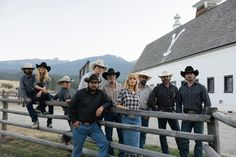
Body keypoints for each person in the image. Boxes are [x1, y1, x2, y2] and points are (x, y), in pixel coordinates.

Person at [68, 74, 112, 157]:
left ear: (98, 84)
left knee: (104, 143)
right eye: (92, 82)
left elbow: (109, 102)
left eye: (96, 83)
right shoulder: (80, 93)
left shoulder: (101, 93)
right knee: (77, 150)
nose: (94, 84)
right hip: (80, 126)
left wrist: (102, 107)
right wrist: (74, 121)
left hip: (93, 126)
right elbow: (70, 108)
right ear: (88, 83)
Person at [176, 66, 211, 157]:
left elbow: (207, 103)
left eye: (191, 73)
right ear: (185, 76)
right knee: (184, 139)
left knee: (198, 141)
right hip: (186, 117)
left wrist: (202, 116)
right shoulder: (181, 88)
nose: (189, 75)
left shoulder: (201, 88)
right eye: (187, 74)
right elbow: (178, 103)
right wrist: (180, 114)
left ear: (194, 75)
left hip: (198, 116)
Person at [148, 71, 182, 154]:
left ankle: (182, 151)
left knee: (177, 132)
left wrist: (177, 111)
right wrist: (156, 111)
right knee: (162, 133)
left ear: (170, 77)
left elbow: (178, 101)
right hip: (161, 112)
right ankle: (165, 152)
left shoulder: (174, 88)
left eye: (167, 76)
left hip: (171, 112)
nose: (165, 78)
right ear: (161, 78)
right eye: (163, 77)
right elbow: (151, 100)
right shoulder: (157, 88)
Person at [116, 73, 141, 157]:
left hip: (137, 119)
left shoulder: (138, 92)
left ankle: (134, 155)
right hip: (126, 118)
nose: (132, 80)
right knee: (127, 140)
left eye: (134, 79)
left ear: (136, 81)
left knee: (136, 140)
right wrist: (126, 108)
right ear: (128, 80)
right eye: (130, 78)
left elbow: (138, 106)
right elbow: (117, 104)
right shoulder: (123, 91)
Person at [102, 68, 124, 157]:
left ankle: (122, 154)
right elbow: (104, 100)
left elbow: (123, 98)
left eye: (113, 75)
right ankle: (110, 154)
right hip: (108, 113)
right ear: (107, 78)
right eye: (109, 76)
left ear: (115, 76)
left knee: (121, 134)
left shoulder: (120, 86)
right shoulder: (104, 88)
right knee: (108, 135)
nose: (111, 77)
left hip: (119, 113)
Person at [53, 75, 73, 145]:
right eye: (65, 82)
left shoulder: (60, 91)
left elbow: (54, 98)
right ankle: (67, 140)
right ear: (62, 84)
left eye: (68, 82)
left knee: (73, 128)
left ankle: (65, 139)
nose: (68, 83)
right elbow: (67, 99)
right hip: (70, 112)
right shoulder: (65, 91)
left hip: (67, 111)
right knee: (74, 128)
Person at [19, 63, 39, 129]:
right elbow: (22, 89)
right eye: (27, 69)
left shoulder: (34, 76)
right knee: (28, 104)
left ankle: (40, 109)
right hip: (28, 94)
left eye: (30, 69)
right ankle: (35, 121)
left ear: (32, 70)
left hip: (35, 92)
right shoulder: (22, 78)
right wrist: (26, 97)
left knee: (44, 99)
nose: (28, 70)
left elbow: (36, 85)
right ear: (24, 70)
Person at [34, 62, 54, 128]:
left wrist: (41, 91)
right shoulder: (35, 77)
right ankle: (42, 109)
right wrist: (41, 90)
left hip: (43, 93)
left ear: (45, 70)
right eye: (40, 68)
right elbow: (35, 85)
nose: (41, 69)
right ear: (39, 69)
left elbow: (45, 86)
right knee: (47, 96)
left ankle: (49, 122)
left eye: (43, 68)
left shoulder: (47, 78)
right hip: (36, 93)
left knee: (51, 102)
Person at [137, 71, 152, 150]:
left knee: (143, 132)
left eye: (145, 77)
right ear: (139, 78)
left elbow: (152, 102)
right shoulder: (134, 87)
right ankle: (135, 149)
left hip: (145, 113)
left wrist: (148, 113)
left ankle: (141, 149)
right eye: (142, 77)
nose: (144, 79)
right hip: (135, 112)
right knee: (135, 132)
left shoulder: (149, 89)